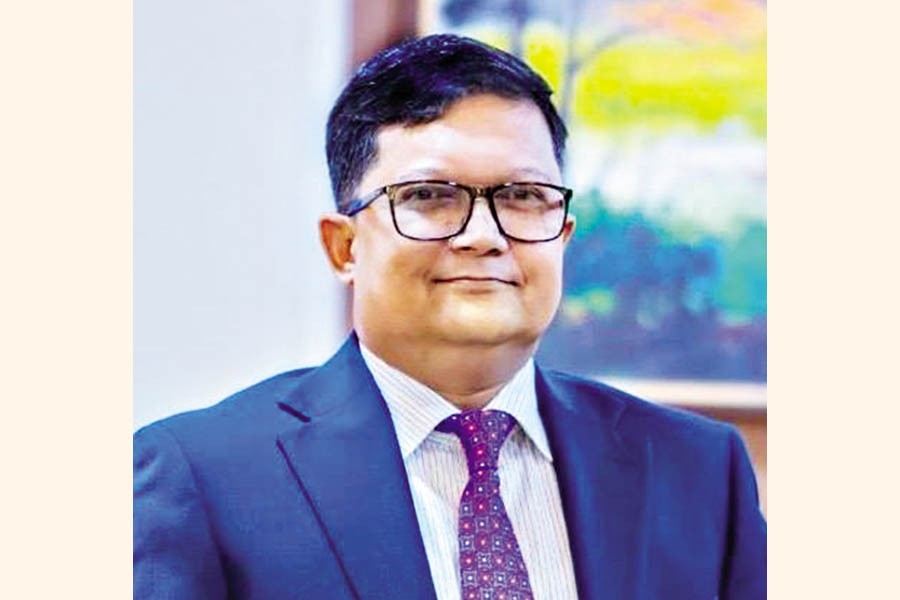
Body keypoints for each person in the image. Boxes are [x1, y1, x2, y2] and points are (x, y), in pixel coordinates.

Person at [133, 33, 766, 599]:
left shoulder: (697, 471)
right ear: (344, 247)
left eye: (523, 196)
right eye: (431, 196)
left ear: (563, 235)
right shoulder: (205, 477)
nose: (484, 236)